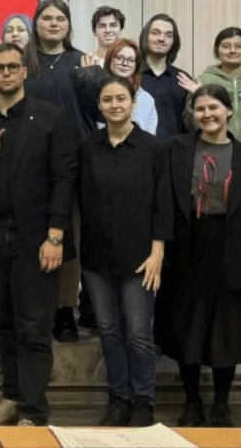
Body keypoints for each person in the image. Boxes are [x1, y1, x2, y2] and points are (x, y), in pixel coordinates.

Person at [0, 42, 77, 427]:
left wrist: (55, 235)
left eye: (12, 66)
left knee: (33, 327)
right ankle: (11, 396)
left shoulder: (52, 117)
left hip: (36, 237)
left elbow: (64, 179)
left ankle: (34, 411)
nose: (6, 73)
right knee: (2, 323)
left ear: (24, 71)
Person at [156, 84, 241, 428]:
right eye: (200, 109)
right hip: (186, 251)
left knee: (226, 333)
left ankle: (222, 404)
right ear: (192, 115)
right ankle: (192, 401)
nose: (207, 114)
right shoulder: (176, 148)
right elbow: (163, 199)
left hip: (230, 253)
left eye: (213, 107)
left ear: (228, 111)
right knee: (188, 330)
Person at [77, 75, 171, 427]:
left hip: (141, 257)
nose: (114, 105)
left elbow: (164, 203)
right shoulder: (87, 146)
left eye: (121, 98)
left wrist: (158, 251)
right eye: (107, 99)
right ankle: (118, 398)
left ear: (133, 103)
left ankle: (143, 401)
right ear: (99, 106)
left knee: (139, 334)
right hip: (97, 256)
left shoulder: (154, 148)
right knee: (108, 330)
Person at [178, 27, 241, 319]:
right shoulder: (204, 79)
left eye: (238, 45)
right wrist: (195, 94)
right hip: (211, 167)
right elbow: (191, 122)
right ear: (217, 51)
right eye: (226, 46)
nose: (232, 50)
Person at [23, 0, 89, 342]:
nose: (53, 23)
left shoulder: (81, 62)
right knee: (29, 235)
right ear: (35, 23)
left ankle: (65, 309)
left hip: (72, 162)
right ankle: (34, 306)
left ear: (68, 25)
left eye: (60, 18)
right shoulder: (23, 62)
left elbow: (94, 110)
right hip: (28, 161)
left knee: (69, 238)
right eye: (46, 18)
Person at [76, 38, 158, 135]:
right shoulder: (96, 91)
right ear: (109, 60)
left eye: (131, 60)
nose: (125, 63)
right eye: (119, 58)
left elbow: (149, 137)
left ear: (136, 65)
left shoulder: (146, 99)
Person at [139, 13, 194, 139]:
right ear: (145, 37)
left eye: (168, 35)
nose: (162, 39)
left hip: (174, 148)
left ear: (174, 41)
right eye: (155, 33)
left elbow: (191, 124)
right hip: (137, 148)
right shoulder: (131, 74)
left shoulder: (183, 78)